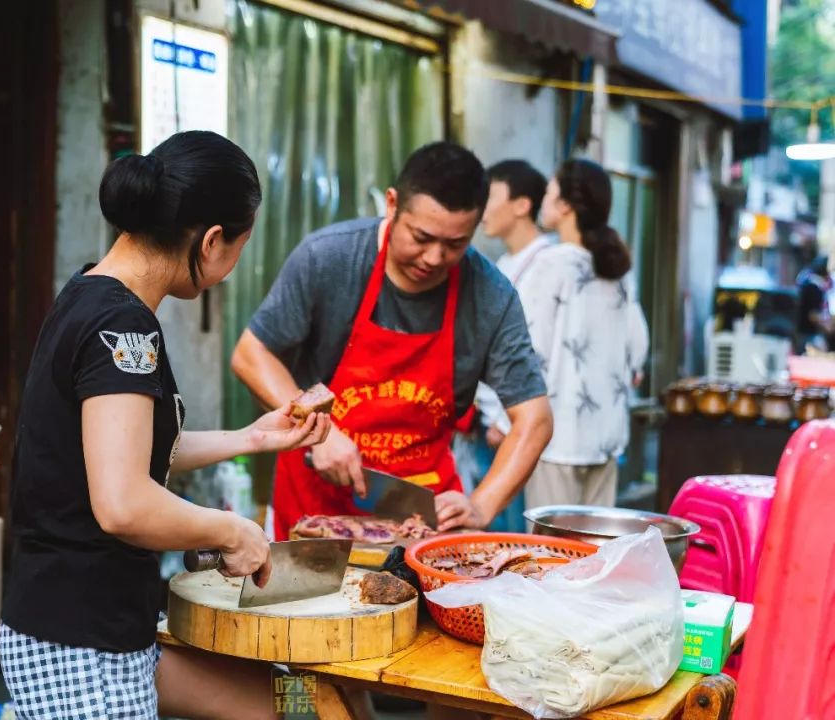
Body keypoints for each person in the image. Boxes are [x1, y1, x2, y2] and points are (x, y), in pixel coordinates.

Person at [0, 131, 331, 720]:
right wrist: (232, 531)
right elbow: (122, 502)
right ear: (210, 241)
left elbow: (127, 456)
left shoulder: (89, 295)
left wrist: (252, 439)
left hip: (100, 626)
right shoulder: (122, 330)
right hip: (80, 643)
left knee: (291, 705)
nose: (232, 265)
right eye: (239, 247)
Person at [231, 142, 552, 541]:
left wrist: (483, 504)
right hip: (313, 519)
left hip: (420, 522)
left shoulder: (490, 295)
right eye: (422, 237)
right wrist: (320, 430)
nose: (434, 257)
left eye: (456, 244)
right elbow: (250, 354)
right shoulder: (329, 258)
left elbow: (534, 420)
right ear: (392, 204)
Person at [520, 158, 649, 509]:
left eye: (548, 193)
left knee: (548, 556)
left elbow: (529, 348)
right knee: (594, 554)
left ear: (564, 205)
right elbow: (638, 348)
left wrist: (507, 420)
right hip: (606, 436)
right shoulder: (618, 267)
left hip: (555, 436)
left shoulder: (552, 263)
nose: (543, 201)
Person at [458, 160, 552, 531]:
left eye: (491, 195)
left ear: (521, 205)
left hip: (512, 422)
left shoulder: (546, 264)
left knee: (501, 529)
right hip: (486, 419)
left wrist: (501, 418)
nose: (482, 208)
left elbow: (537, 347)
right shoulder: (503, 263)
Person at [796, 254, 834, 353]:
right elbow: (812, 314)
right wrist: (827, 326)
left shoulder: (808, 282)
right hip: (809, 334)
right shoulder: (813, 287)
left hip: (805, 332)